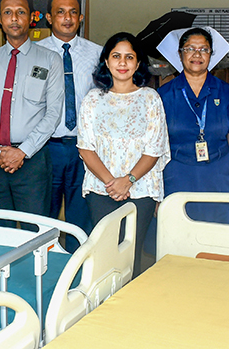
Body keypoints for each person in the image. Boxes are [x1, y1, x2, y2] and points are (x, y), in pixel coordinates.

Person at [78, 32, 170, 277]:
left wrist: (127, 180)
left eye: (129, 57)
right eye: (116, 56)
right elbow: (86, 147)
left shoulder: (150, 99)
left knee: (132, 253)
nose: (122, 62)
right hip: (101, 190)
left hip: (140, 190)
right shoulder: (92, 100)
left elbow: (154, 149)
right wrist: (112, 183)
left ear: (138, 63)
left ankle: (130, 310)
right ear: (106, 62)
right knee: (105, 253)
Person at [0, 0, 64, 225]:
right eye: (8, 12)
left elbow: (53, 113)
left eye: (21, 12)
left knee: (37, 231)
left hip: (32, 160)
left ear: (32, 18)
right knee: (0, 230)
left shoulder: (50, 60)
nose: (14, 18)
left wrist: (22, 151)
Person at [156, 27, 229, 224]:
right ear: (180, 54)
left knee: (218, 241)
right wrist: (155, 192)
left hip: (219, 179)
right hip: (177, 178)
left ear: (211, 55)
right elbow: (155, 147)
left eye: (204, 50)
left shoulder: (227, 93)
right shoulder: (163, 95)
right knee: (178, 240)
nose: (197, 55)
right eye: (190, 49)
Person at [36, 0, 102, 249]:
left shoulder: (97, 54)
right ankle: (45, 268)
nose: (67, 18)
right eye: (60, 12)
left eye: (73, 12)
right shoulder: (35, 52)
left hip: (84, 150)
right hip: (46, 148)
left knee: (81, 219)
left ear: (81, 17)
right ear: (49, 18)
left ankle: (78, 272)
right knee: (44, 217)